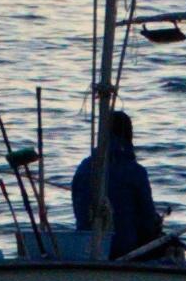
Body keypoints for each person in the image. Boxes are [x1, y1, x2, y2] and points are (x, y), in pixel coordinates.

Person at [69, 100, 179, 266]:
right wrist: (156, 225)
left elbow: (79, 212)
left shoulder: (83, 169)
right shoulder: (136, 172)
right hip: (125, 252)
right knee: (173, 249)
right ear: (129, 136)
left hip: (86, 250)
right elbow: (148, 224)